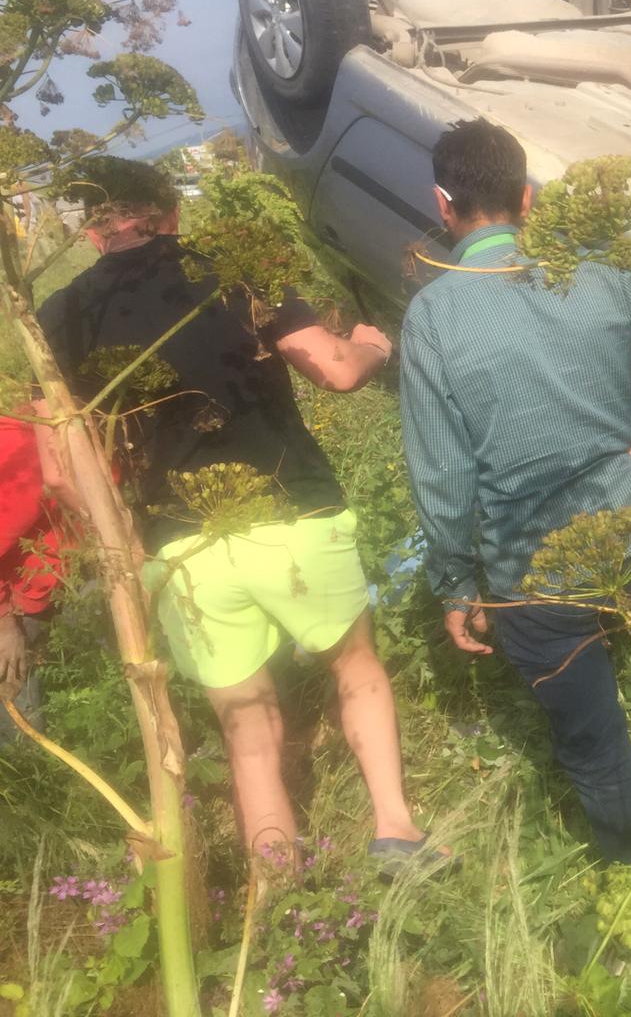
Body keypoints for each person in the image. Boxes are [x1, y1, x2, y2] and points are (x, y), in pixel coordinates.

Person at [37, 156, 431, 865]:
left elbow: (60, 468)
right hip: (291, 512)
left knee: (247, 728)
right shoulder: (231, 266)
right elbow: (334, 370)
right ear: (171, 213)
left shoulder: (60, 315)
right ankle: (395, 830)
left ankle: (277, 893)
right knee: (355, 665)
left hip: (177, 545)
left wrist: (127, 547)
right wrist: (370, 346)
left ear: (93, 234)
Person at [399, 119, 631, 863]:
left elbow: (443, 475)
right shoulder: (598, 272)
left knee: (591, 739)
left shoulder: (433, 317)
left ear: (443, 205)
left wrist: (455, 584)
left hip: (537, 582)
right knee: (623, 650)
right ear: (526, 197)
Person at [0, 413, 72, 742]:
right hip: (14, 596)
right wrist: (4, 623)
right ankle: (30, 779)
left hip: (64, 580)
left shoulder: (83, 429)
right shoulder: (19, 446)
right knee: (18, 701)